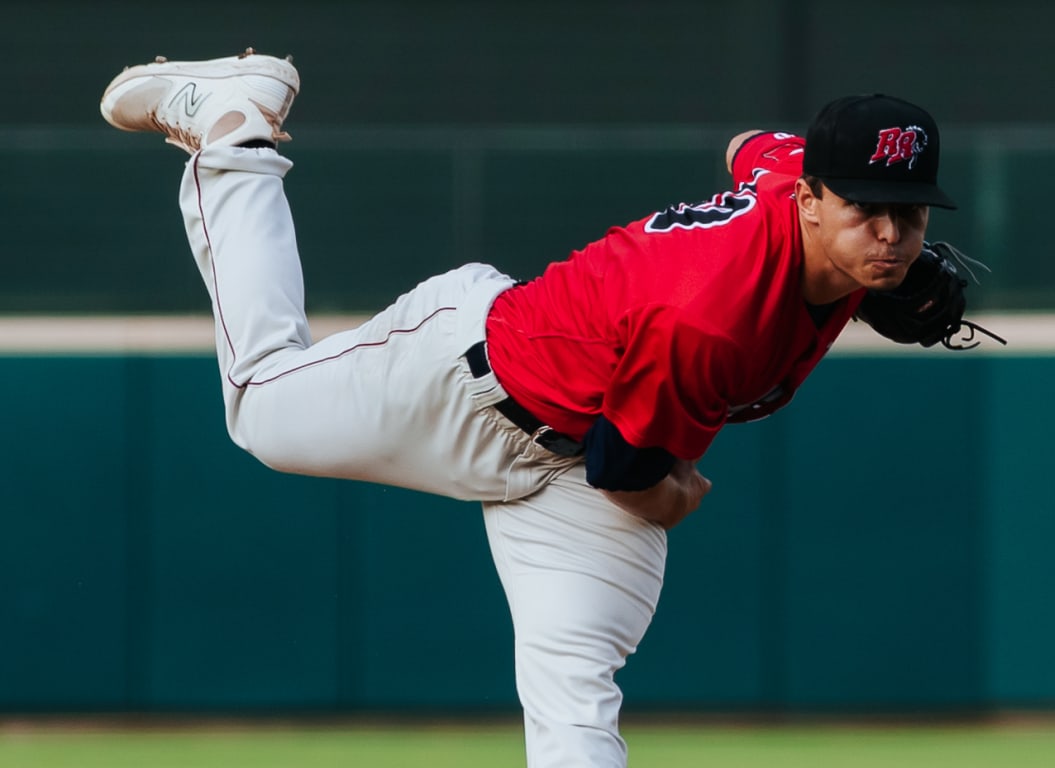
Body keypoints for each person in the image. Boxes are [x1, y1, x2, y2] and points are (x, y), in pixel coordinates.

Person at [100, 48, 958, 767]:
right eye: (863, 209)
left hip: (576, 462)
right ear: (810, 198)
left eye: (908, 214)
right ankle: (235, 128)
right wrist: (679, 499)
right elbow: (632, 474)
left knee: (575, 705)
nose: (888, 236)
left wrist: (862, 249)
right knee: (260, 408)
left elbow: (749, 145)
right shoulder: (710, 317)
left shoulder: (793, 182)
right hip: (470, 384)